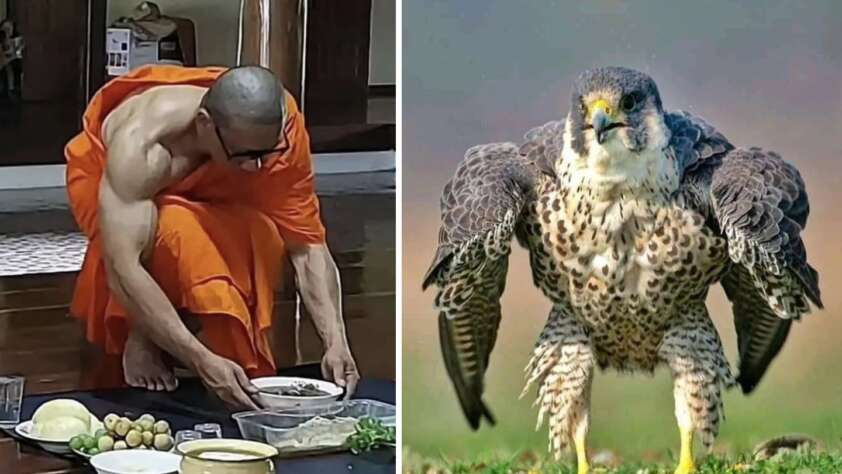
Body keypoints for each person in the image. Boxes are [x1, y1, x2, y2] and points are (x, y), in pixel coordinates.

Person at [65, 64, 359, 409]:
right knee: (176, 233)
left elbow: (307, 243)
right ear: (205, 124)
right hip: (113, 179)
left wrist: (336, 341)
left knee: (258, 234)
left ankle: (165, 336)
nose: (257, 169)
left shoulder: (281, 131)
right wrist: (200, 360)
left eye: (268, 153)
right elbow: (123, 267)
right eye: (247, 155)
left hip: (214, 172)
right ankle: (144, 336)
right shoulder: (141, 146)